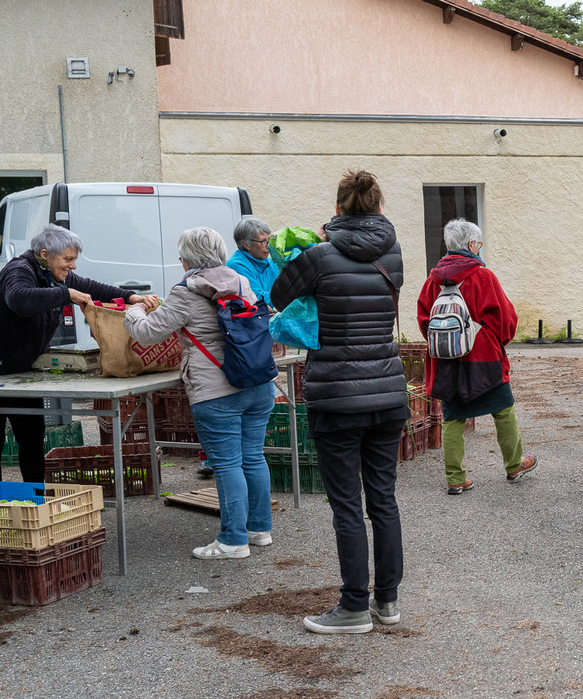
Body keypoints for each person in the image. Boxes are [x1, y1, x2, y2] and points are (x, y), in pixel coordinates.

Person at [271, 170, 408, 635]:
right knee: (383, 500)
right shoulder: (393, 251)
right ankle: (386, 602)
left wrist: (313, 245)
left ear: (338, 207)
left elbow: (277, 294)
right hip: (388, 392)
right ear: (378, 206)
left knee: (347, 505)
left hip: (336, 397)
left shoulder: (319, 255)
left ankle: (353, 606)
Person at [125, 228, 273, 560]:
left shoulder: (186, 292)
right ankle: (259, 530)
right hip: (257, 384)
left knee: (228, 464)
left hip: (216, 391)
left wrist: (132, 312)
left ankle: (233, 541)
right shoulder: (239, 281)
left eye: (181, 257)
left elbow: (147, 334)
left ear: (189, 259)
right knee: (253, 457)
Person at [0, 224, 145, 484]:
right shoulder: (19, 269)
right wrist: (65, 294)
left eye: (74, 260)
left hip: (21, 370)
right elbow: (20, 299)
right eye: (68, 259)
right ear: (45, 254)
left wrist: (130, 297)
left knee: (32, 438)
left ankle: (36, 501)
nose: (73, 267)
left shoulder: (55, 274)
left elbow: (91, 287)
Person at [418, 219, 537, 496]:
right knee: (503, 409)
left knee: (452, 418)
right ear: (471, 245)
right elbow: (506, 320)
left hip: (445, 361)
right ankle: (514, 464)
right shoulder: (483, 277)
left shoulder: (432, 280)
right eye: (478, 243)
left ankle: (455, 479)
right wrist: (495, 342)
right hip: (484, 358)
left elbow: (424, 320)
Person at [226, 217, 280, 305]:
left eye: (269, 241)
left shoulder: (271, 263)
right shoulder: (236, 265)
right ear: (246, 244)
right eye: (263, 242)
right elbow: (256, 298)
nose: (268, 246)